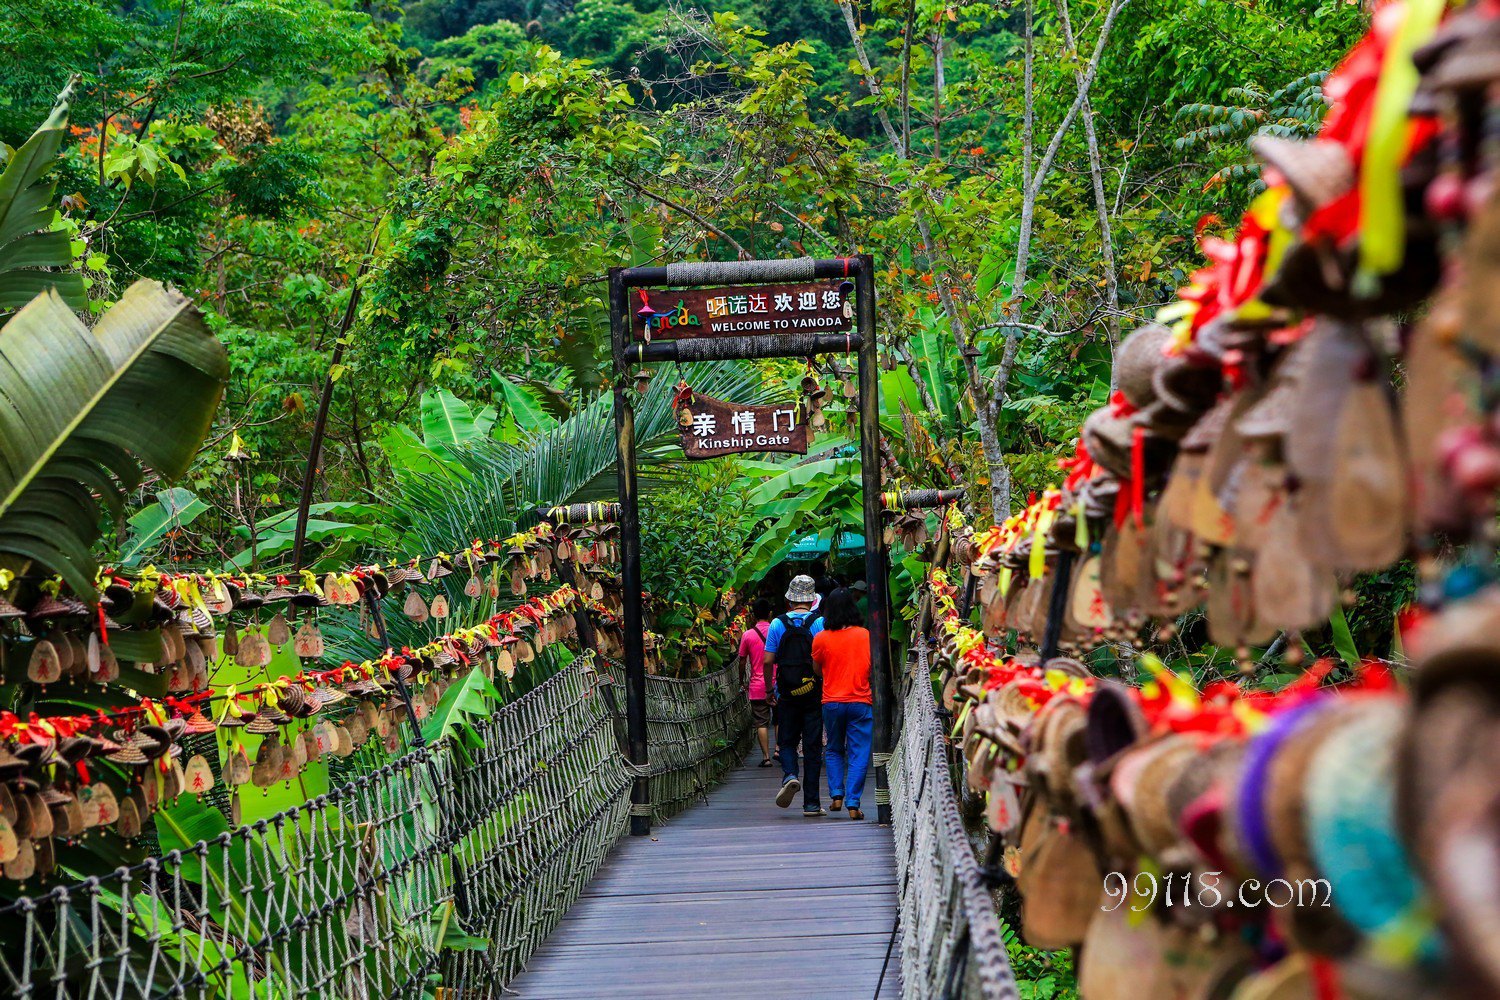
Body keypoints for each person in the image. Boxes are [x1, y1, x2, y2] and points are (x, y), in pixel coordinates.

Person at [764, 574, 825, 816]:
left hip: (786, 692)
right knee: (812, 748)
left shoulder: (777, 624)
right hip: (813, 693)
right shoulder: (819, 623)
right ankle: (811, 803)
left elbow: (768, 659)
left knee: (786, 741)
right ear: (811, 601)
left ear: (790, 600)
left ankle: (790, 774)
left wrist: (770, 689)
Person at [812, 587, 873, 820]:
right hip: (860, 700)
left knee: (835, 749)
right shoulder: (865, 635)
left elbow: (817, 670)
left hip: (832, 702)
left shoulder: (821, 639)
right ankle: (853, 804)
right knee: (858, 753)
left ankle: (836, 794)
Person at [737, 598, 775, 767]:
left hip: (757, 685)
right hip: (778, 683)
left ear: (753, 615)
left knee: (761, 722)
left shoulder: (747, 635)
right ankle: (778, 749)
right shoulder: (777, 630)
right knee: (779, 718)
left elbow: (742, 661)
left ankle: (766, 757)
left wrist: (741, 680)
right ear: (770, 614)